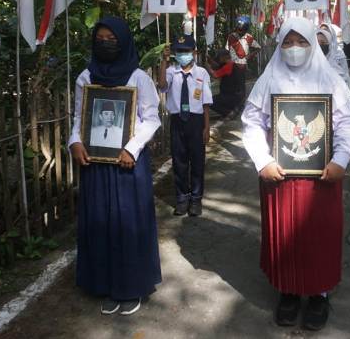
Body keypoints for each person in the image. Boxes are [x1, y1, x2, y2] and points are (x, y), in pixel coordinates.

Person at [241, 17, 350, 331]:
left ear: (314, 45)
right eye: (288, 42)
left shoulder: (331, 81)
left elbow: (347, 124)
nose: (295, 49)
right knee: (286, 235)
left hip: (323, 176)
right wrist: (262, 160)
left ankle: (319, 294)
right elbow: (252, 123)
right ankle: (288, 291)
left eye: (302, 42)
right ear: (280, 45)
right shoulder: (268, 81)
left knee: (319, 234)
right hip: (279, 175)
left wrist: (342, 159)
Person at [68, 17, 161, 316]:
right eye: (100, 38)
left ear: (123, 41)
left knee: (127, 223)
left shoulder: (138, 77)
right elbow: (79, 118)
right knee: (100, 222)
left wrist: (131, 149)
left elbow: (151, 119)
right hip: (95, 164)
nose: (105, 43)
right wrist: (75, 142)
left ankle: (130, 287)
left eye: (112, 39)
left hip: (128, 165)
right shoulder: (85, 77)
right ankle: (105, 285)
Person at [158, 34, 213, 216]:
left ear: (194, 52)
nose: (182, 54)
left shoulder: (202, 73)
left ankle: (196, 200)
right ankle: (182, 198)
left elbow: (205, 102)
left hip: (196, 122)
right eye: (179, 51)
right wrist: (164, 62)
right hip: (177, 122)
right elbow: (162, 85)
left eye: (186, 51)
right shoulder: (171, 72)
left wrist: (207, 127)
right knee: (179, 161)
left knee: (197, 162)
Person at [207, 48, 246, 117]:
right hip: (238, 96)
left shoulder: (229, 66)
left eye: (219, 57)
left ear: (223, 57)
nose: (218, 59)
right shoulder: (234, 63)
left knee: (209, 101)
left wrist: (207, 66)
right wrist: (209, 60)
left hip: (232, 96)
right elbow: (217, 66)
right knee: (218, 98)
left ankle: (229, 113)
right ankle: (233, 109)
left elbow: (215, 75)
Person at [227, 15, 261, 93]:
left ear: (246, 29)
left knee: (241, 86)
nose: (240, 31)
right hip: (233, 65)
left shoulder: (249, 37)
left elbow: (258, 48)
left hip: (242, 66)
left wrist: (248, 57)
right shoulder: (231, 37)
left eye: (242, 29)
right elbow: (228, 50)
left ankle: (241, 103)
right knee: (232, 85)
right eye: (239, 29)